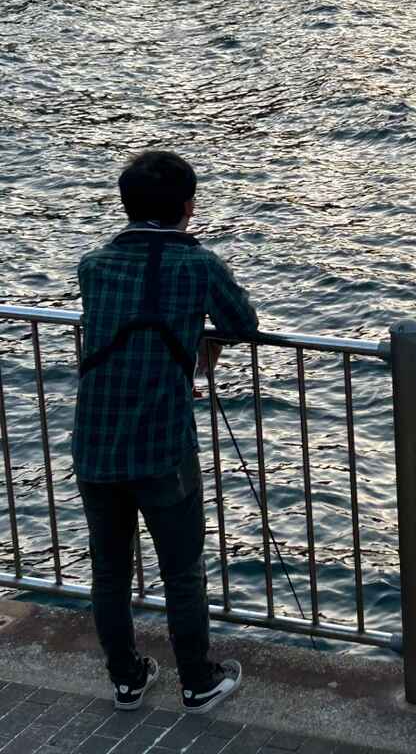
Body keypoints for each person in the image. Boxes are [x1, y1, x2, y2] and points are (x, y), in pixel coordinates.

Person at [72, 150, 259, 714]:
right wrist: (204, 343)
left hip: (95, 439)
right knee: (181, 570)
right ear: (188, 206)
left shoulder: (93, 265)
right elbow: (242, 323)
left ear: (126, 205)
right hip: (162, 442)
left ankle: (126, 679)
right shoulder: (197, 264)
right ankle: (197, 681)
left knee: (109, 569)